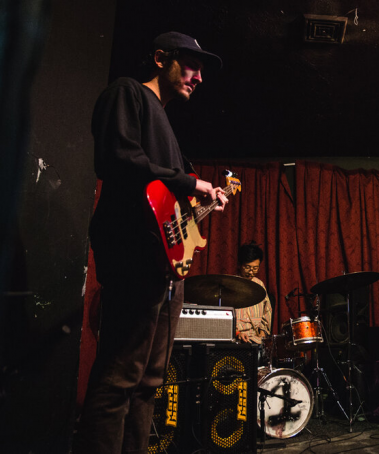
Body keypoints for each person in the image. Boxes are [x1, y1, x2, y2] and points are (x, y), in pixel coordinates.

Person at [73, 32, 228, 454]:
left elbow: (166, 207)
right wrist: (193, 182)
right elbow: (118, 159)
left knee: (148, 383)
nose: (198, 77)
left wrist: (202, 201)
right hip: (134, 258)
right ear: (161, 58)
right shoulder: (128, 94)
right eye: (190, 64)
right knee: (119, 377)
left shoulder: (167, 128)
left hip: (164, 268)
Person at [234, 242, 272, 346]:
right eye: (247, 267)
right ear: (239, 265)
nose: (251, 272)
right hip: (235, 339)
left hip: (255, 340)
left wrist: (263, 331)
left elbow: (267, 311)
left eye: (255, 268)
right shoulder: (230, 284)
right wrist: (237, 333)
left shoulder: (259, 285)